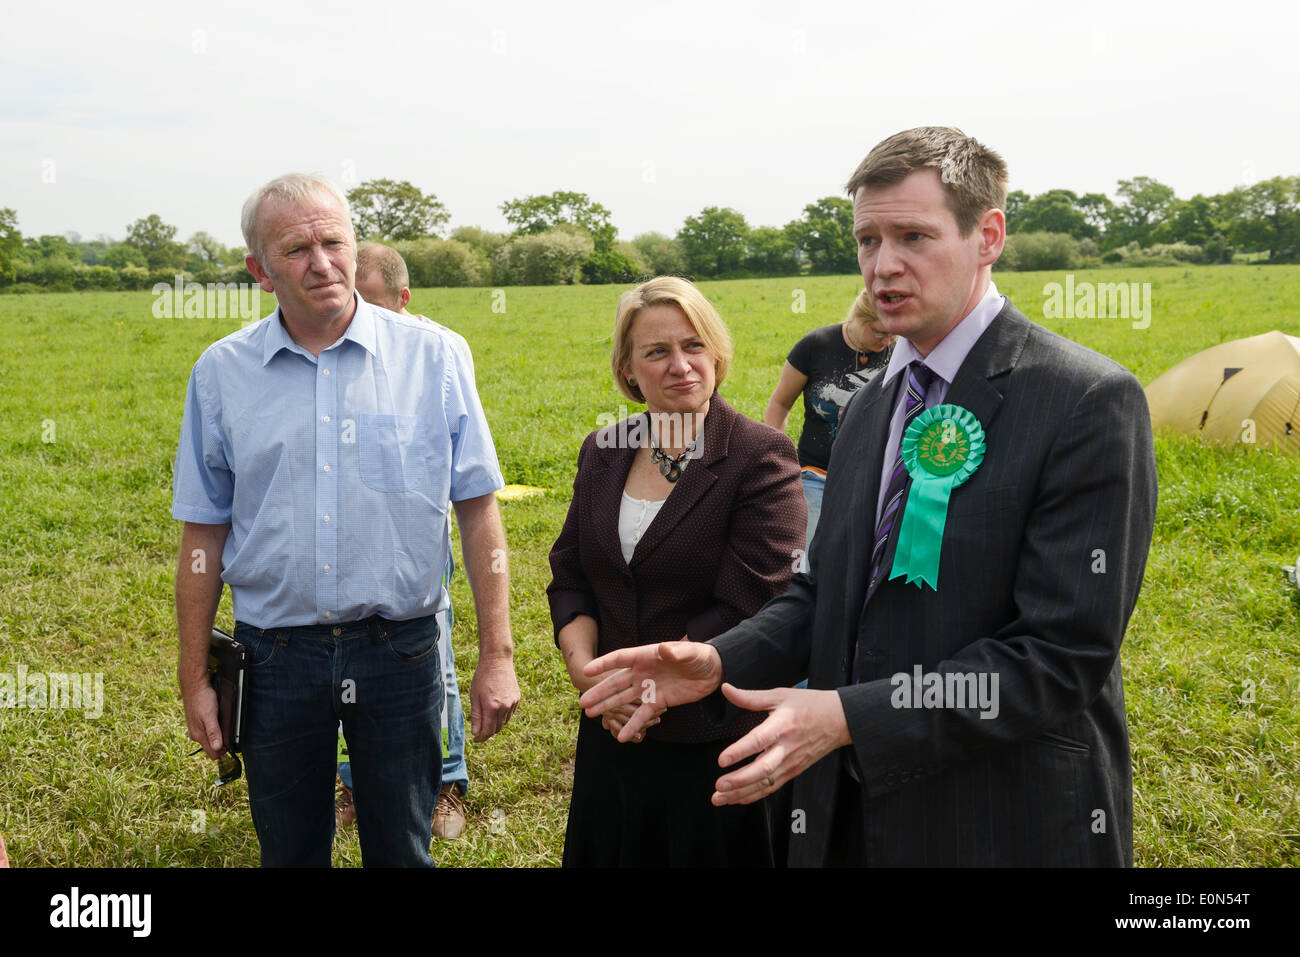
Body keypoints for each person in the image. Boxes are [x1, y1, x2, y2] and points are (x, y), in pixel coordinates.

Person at [580, 128, 1158, 867]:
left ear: (989, 236)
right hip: (845, 814)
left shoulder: (1085, 401)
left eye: (912, 236)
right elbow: (823, 593)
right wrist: (718, 660)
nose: (883, 266)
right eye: (867, 240)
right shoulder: (865, 409)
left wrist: (852, 716)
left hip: (1000, 817)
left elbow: (1059, 654)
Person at [173, 174, 520, 867]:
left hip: (402, 652)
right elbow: (202, 534)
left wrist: (497, 655)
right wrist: (193, 679)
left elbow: (477, 506)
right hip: (274, 657)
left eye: (334, 240)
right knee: (291, 852)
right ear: (260, 271)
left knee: (401, 851)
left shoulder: (434, 356)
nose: (321, 261)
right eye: (296, 248)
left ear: (355, 246)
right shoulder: (221, 373)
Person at [548, 275, 806, 866]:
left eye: (693, 345)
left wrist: (649, 689)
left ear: (717, 354)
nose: (680, 365)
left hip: (714, 733)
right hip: (612, 726)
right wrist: (591, 679)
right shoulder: (605, 448)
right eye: (656, 351)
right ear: (629, 370)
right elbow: (570, 576)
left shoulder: (759, 456)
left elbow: (751, 600)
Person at [332, 242, 473, 840]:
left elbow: (465, 468)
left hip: (414, 541)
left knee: (431, 659)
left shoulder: (439, 350)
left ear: (404, 298)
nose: (355, 311)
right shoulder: (327, 346)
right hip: (341, 543)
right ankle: (351, 781)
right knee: (338, 663)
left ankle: (445, 780)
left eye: (371, 299)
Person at [765, 290, 894, 545]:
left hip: (874, 479)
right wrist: (777, 460)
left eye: (892, 333)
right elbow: (780, 403)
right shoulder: (816, 345)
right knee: (808, 556)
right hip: (815, 474)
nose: (887, 341)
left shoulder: (899, 352)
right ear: (858, 317)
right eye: (879, 333)